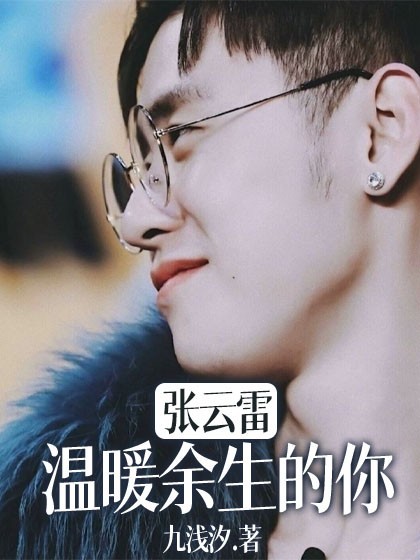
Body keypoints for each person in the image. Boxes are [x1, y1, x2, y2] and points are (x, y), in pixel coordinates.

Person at [1, 1, 419, 559]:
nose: (136, 221)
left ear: (381, 132)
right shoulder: (69, 528)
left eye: (182, 136)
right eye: (144, 169)